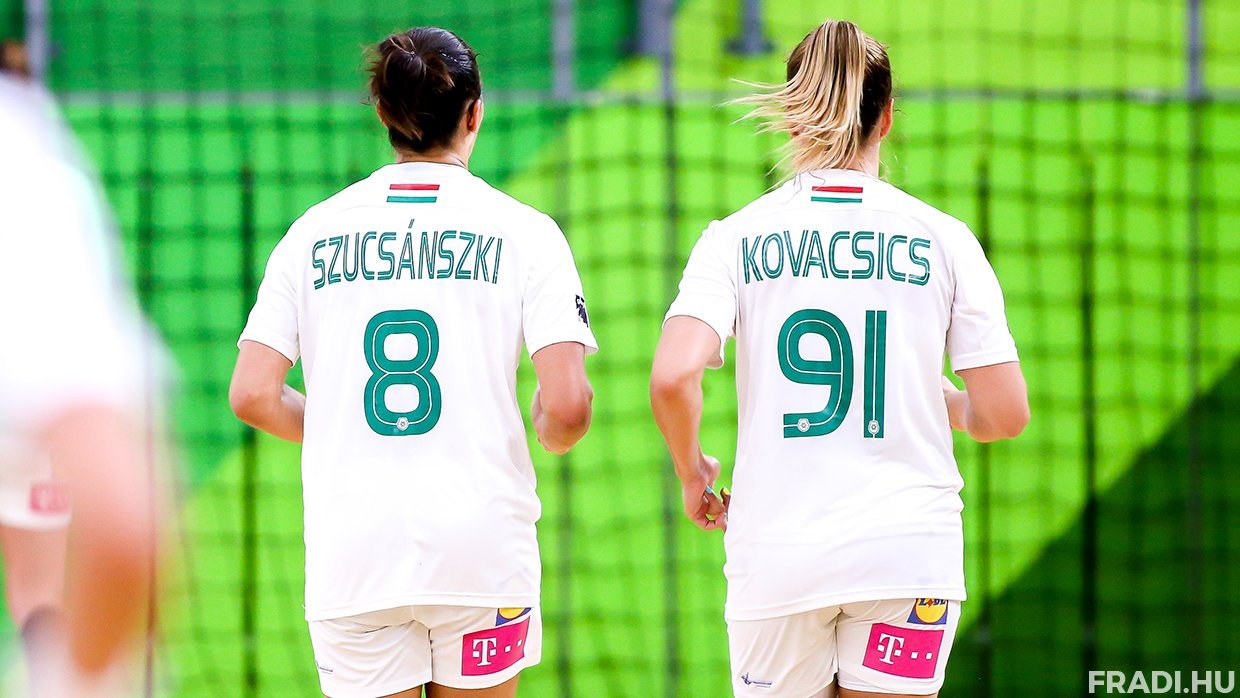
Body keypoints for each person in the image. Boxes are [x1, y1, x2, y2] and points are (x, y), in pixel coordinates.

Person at [650, 19, 1029, 698]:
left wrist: (692, 472)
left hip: (778, 560)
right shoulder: (945, 239)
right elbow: (1004, 414)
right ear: (887, 118)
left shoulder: (734, 238)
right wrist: (943, 402)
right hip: (908, 556)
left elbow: (674, 376)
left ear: (795, 116)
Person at [229, 26, 596, 698]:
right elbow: (568, 410)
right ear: (474, 114)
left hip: (355, 556)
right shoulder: (527, 232)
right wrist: (547, 429)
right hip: (482, 551)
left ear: (383, 114)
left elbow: (252, 393)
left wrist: (342, 428)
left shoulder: (312, 232)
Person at [0, 68, 158, 696]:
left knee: (40, 592)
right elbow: (124, 534)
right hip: (42, 418)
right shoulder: (26, 157)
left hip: (37, 424)